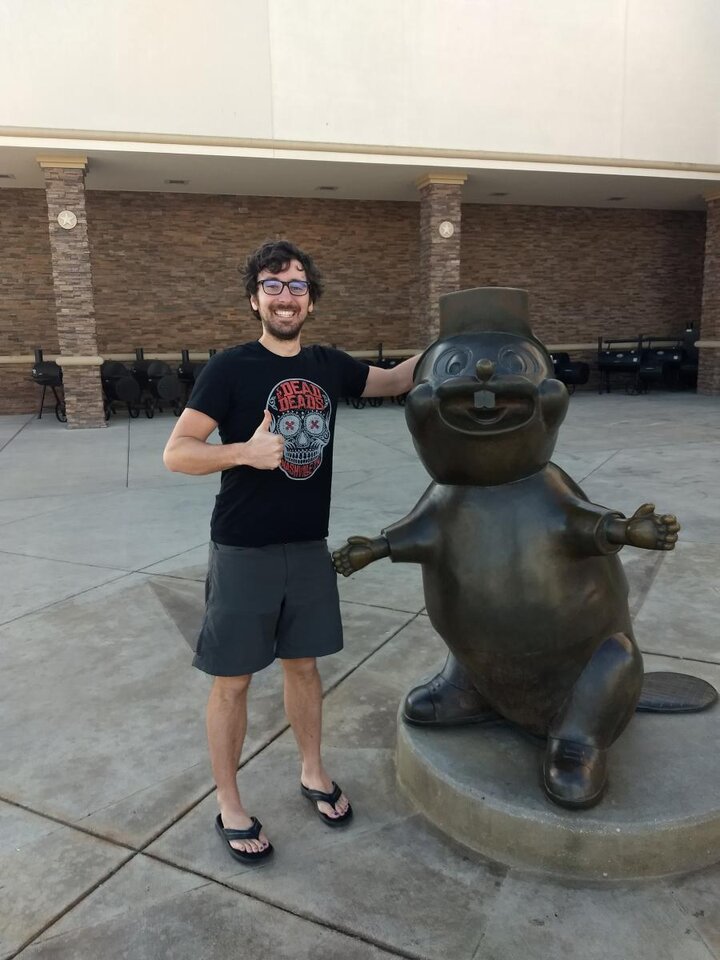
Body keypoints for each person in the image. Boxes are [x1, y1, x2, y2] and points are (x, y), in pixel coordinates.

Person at [163, 239, 419, 863]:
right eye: (273, 285)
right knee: (233, 682)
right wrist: (242, 453)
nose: (285, 296)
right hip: (244, 548)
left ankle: (312, 771)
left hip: (307, 548)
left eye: (296, 285)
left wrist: (463, 340)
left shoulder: (329, 364)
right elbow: (178, 451)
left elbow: (391, 380)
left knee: (304, 667)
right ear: (255, 299)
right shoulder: (230, 367)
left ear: (310, 300)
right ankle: (229, 803)